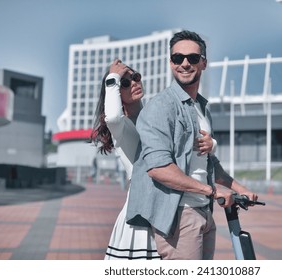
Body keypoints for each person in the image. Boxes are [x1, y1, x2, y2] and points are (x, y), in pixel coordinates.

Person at [126, 30, 259, 260]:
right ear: (171, 63)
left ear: (204, 63)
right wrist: (213, 191)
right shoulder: (161, 107)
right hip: (179, 216)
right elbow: (158, 168)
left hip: (204, 212)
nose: (185, 63)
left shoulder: (201, 108)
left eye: (193, 58)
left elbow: (209, 163)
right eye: (178, 58)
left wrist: (240, 189)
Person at [89, 59, 160, 259]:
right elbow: (112, 118)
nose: (134, 83)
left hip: (165, 209)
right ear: (116, 92)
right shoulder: (122, 127)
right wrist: (113, 77)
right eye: (125, 83)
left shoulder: (155, 119)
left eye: (135, 77)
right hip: (140, 215)